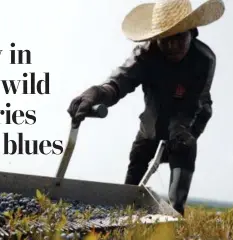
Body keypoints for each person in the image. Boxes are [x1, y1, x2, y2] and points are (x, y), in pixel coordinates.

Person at [67, 0, 225, 216]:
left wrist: (180, 132)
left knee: (182, 157)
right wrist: (97, 93)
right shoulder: (146, 55)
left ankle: (174, 218)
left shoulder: (204, 60)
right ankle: (123, 218)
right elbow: (120, 81)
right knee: (133, 179)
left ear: (192, 32)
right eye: (164, 39)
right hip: (152, 121)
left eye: (178, 37)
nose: (171, 45)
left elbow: (192, 105)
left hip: (189, 121)